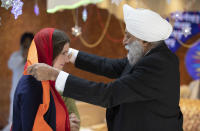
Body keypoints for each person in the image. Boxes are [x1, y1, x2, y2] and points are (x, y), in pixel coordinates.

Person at [27, 5, 183, 131]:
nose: (124, 41)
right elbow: (109, 66)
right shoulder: (147, 55)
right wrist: (71, 54)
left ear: (145, 41)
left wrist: (55, 75)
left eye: (128, 36)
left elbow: (107, 94)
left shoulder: (157, 65)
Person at [12, 28, 80, 131]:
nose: (67, 60)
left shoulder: (45, 81)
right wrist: (66, 126)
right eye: (63, 53)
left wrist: (67, 122)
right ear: (49, 52)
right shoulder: (32, 84)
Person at [3, 32, 34, 131]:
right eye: (25, 44)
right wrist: (23, 56)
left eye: (29, 44)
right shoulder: (16, 56)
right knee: (14, 118)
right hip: (16, 92)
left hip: (30, 93)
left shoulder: (35, 58)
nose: (27, 46)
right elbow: (10, 65)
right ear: (21, 44)